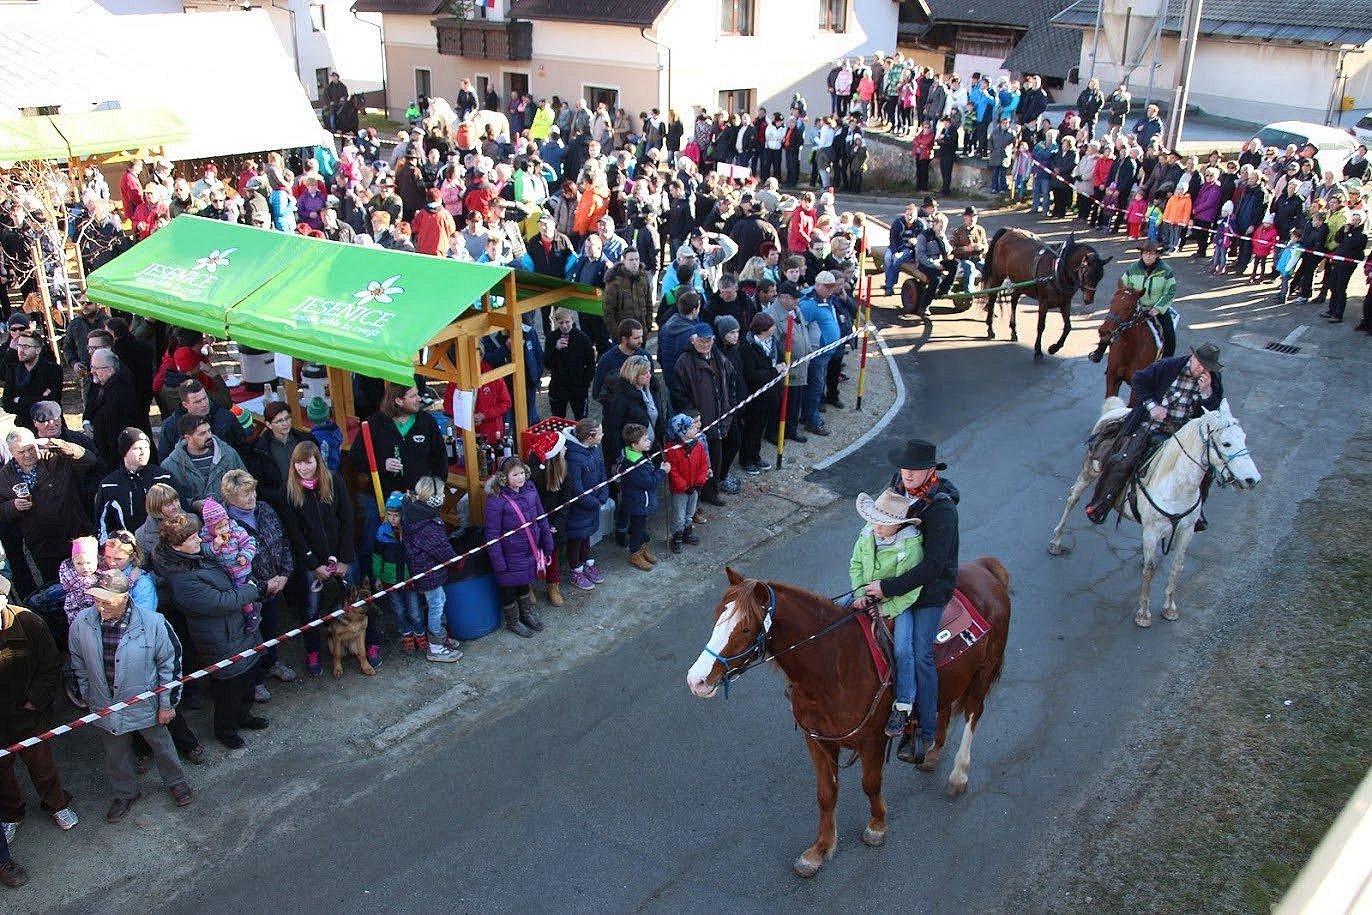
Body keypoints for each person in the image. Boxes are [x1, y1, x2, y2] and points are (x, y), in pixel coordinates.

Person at [861, 440, 959, 766]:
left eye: (915, 469)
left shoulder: (942, 509)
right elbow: (875, 530)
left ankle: (926, 730)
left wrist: (886, 587)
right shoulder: (895, 487)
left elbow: (933, 566)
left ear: (932, 469)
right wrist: (865, 578)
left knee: (919, 654)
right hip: (893, 581)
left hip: (929, 591)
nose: (908, 474)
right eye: (905, 467)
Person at [68, 568, 193, 822]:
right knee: (116, 753)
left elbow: (169, 665)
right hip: (104, 704)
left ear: (124, 597)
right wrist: (87, 697)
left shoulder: (154, 622)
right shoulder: (82, 622)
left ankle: (176, 782)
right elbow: (78, 663)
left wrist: (167, 704)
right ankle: (125, 792)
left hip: (145, 703)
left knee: (162, 745)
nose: (100, 606)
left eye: (107, 601)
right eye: (96, 599)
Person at [153, 513, 267, 749]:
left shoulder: (197, 555)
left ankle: (244, 716)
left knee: (246, 679)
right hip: (220, 638)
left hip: (238, 629)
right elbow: (219, 602)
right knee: (229, 688)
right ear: (176, 545)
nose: (200, 540)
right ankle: (226, 730)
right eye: (193, 538)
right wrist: (251, 589)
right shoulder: (182, 579)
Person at [1085, 343, 1225, 526]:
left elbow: (1215, 411)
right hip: (1153, 425)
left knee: (1206, 470)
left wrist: (1208, 394)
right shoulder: (1169, 366)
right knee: (1124, 459)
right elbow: (1139, 380)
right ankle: (1101, 503)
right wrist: (1152, 406)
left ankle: (1197, 514)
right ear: (1193, 358)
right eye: (1201, 365)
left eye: (1208, 368)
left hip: (1184, 433)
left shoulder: (1213, 380)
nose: (1204, 370)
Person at [279, 441, 370, 676]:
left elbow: (347, 519)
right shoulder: (288, 491)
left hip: (343, 556)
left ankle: (370, 644)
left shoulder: (334, 480)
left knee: (360, 599)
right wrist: (313, 564)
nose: (303, 468)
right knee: (310, 610)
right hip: (311, 562)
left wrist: (345, 558)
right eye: (298, 463)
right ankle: (313, 651)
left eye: (307, 462)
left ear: (317, 461)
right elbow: (294, 533)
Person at [0, 575, 80, 843]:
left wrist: (34, 701)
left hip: (28, 715)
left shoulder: (29, 622)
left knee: (42, 765)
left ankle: (57, 804)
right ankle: (12, 815)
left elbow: (50, 665)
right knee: (2, 775)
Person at [849, 489, 924, 739]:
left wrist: (885, 609)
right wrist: (858, 592)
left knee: (903, 649)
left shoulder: (910, 545)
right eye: (874, 521)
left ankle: (903, 704)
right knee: (833, 620)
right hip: (866, 594)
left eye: (884, 524)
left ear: (898, 525)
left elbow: (911, 589)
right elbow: (856, 564)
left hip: (898, 603)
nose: (877, 527)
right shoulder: (867, 532)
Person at [0, 428, 98, 586]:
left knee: (87, 583)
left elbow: (89, 459)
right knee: (55, 588)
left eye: (30, 448)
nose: (27, 454)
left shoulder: (55, 457)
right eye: (21, 452)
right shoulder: (5, 476)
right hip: (42, 545)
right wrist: (13, 506)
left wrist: (54, 443)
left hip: (74, 536)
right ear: (11, 451)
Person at [484, 457, 554, 636]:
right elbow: (492, 535)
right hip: (509, 554)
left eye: (522, 472)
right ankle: (513, 621)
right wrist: (499, 563)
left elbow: (541, 516)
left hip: (529, 549)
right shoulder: (496, 499)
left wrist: (547, 542)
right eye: (515, 474)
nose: (520, 477)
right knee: (508, 588)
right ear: (504, 477)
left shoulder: (531, 489)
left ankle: (526, 613)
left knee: (524, 582)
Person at [399, 477, 464, 661]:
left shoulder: (415, 511)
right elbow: (441, 548)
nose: (443, 496)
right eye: (442, 493)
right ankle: (435, 646)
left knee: (439, 601)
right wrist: (456, 562)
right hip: (428, 571)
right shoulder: (426, 523)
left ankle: (442, 638)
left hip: (427, 569)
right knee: (436, 605)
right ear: (433, 497)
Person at [95, 429, 172, 542]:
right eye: (137, 448)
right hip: (127, 548)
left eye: (146, 448)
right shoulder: (109, 485)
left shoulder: (163, 477)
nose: (143, 452)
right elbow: (102, 523)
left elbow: (179, 510)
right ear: (124, 452)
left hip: (162, 543)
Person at [374, 491, 425, 653]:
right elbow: (377, 556)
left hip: (410, 578)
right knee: (398, 609)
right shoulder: (382, 532)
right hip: (390, 578)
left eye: (396, 515)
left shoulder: (412, 531)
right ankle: (406, 633)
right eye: (389, 515)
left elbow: (420, 554)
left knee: (415, 610)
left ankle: (419, 632)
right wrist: (377, 576)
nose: (392, 519)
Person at [561, 419, 609, 591]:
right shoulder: (574, 458)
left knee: (586, 535)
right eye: (600, 432)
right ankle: (576, 569)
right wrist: (594, 503)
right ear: (590, 436)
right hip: (579, 509)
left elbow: (603, 472)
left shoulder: (595, 449)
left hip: (592, 505)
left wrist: (603, 494)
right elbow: (576, 489)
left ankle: (585, 561)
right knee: (576, 539)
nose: (603, 435)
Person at [162, 414, 247, 511]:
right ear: (188, 438)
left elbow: (246, 483)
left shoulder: (228, 454)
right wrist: (192, 504)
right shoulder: (170, 466)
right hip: (192, 521)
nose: (209, 435)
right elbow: (168, 500)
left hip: (231, 516)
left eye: (209, 430)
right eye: (202, 433)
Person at [615, 424, 670, 572]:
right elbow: (649, 482)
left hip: (640, 502)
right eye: (645, 439)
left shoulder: (638, 455)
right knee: (637, 529)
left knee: (641, 527)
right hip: (637, 503)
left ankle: (642, 546)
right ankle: (635, 553)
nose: (649, 441)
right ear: (634, 444)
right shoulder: (634, 464)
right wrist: (662, 472)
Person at [156, 380, 244, 463]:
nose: (204, 404)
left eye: (205, 398)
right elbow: (165, 460)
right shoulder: (171, 426)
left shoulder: (225, 417)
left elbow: (242, 449)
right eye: (198, 402)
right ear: (185, 404)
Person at [246, 401, 313, 510]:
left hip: (309, 498)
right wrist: (281, 496)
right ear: (268, 425)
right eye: (279, 421)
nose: (285, 423)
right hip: (282, 505)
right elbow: (259, 485)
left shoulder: (305, 440)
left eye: (287, 418)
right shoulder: (259, 450)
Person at [1119, 240, 1178, 358]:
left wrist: (1157, 309)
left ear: (1157, 255)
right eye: (1145, 253)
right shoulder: (1132, 269)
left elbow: (1170, 292)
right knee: (1114, 325)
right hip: (1135, 307)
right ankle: (1101, 349)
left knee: (1169, 335)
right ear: (1141, 254)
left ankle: (1167, 363)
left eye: (1152, 253)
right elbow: (1123, 287)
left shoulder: (1166, 271)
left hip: (1156, 309)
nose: (1148, 256)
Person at [664, 412, 710, 553]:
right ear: (682, 432)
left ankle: (687, 533)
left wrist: (699, 482)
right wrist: (684, 486)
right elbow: (673, 472)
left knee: (690, 512)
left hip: (695, 487)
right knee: (679, 514)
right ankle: (676, 537)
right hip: (680, 490)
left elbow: (703, 465)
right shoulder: (672, 450)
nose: (695, 428)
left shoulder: (698, 445)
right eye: (691, 428)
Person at [1, 332, 63, 432]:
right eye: (19, 346)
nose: (21, 350)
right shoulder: (13, 371)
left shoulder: (53, 370)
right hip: (24, 427)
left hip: (51, 426)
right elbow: (7, 405)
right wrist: (39, 398)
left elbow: (52, 402)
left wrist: (20, 400)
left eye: (26, 346)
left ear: (38, 350)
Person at [545, 308, 596, 419]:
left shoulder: (583, 338)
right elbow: (547, 363)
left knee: (581, 421)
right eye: (561, 323)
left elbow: (591, 364)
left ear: (572, 320)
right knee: (558, 420)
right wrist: (555, 349)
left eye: (567, 322)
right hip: (558, 387)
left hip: (578, 388)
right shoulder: (552, 338)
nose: (564, 326)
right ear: (556, 322)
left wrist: (584, 384)